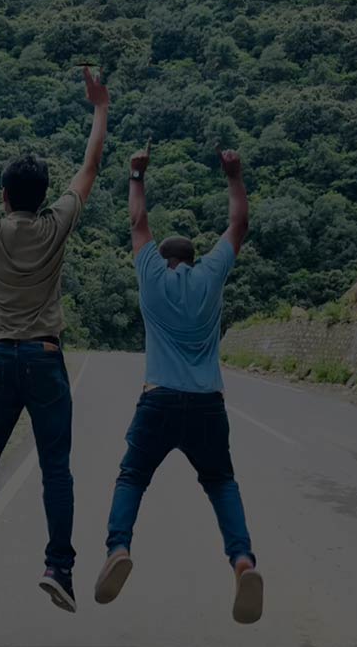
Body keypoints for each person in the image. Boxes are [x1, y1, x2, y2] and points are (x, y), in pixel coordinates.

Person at [0, 66, 109, 613]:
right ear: (42, 196)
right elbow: (90, 167)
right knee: (57, 467)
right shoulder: (57, 224)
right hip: (46, 357)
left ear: (3, 195)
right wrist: (99, 107)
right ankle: (59, 568)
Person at [94, 141, 263, 624]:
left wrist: (137, 174)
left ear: (164, 262)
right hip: (208, 404)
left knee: (132, 476)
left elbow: (137, 223)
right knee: (221, 483)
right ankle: (243, 561)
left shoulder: (151, 276)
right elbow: (238, 225)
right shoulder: (211, 276)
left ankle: (119, 548)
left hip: (158, 400)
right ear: (191, 260)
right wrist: (233, 174)